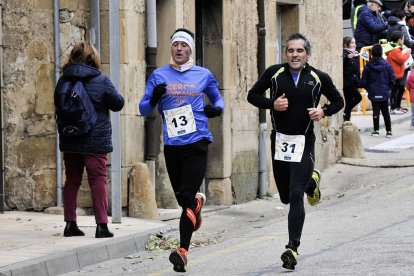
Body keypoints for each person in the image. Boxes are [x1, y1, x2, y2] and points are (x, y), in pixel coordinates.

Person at [247, 33, 344, 270]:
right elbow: (252, 95)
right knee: (284, 195)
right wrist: (272, 104)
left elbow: (339, 100)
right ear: (285, 53)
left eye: (299, 51)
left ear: (307, 54)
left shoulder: (318, 77)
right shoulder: (274, 73)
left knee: (295, 193)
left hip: (304, 141)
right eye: (290, 50)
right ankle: (313, 181)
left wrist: (324, 111)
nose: (295, 55)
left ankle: (292, 247)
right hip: (280, 140)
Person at [139, 28, 224, 273]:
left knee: (186, 194)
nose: (179, 49)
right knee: (183, 200)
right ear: (171, 48)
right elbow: (144, 109)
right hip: (173, 146)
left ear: (190, 50)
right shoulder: (158, 75)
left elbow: (218, 99)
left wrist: (216, 109)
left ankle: (183, 251)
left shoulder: (203, 75)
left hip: (197, 142)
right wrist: (153, 97)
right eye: (175, 44)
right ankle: (196, 202)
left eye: (184, 45)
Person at [54, 42, 125, 238]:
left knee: (72, 180)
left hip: (70, 137)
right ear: (93, 58)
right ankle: (101, 226)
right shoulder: (101, 80)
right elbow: (118, 103)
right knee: (97, 180)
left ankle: (70, 224)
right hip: (95, 138)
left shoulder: (63, 81)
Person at [360, 44, 395, 137]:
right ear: (381, 53)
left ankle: (376, 130)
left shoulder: (368, 66)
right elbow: (392, 79)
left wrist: (369, 89)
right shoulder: (387, 65)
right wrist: (388, 88)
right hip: (384, 91)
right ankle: (389, 131)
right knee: (385, 112)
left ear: (372, 54)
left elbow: (364, 81)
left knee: (376, 111)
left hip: (373, 91)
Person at [384, 30, 411, 114]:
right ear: (399, 40)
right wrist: (407, 53)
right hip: (395, 74)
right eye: (403, 39)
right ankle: (393, 108)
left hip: (398, 73)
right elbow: (401, 59)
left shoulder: (394, 47)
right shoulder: (395, 49)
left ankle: (398, 107)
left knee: (401, 88)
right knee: (394, 91)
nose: (403, 41)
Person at [343, 36, 363, 121]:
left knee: (349, 101)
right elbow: (342, 63)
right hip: (348, 82)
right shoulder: (344, 53)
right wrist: (347, 58)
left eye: (354, 42)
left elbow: (357, 69)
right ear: (345, 45)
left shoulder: (355, 54)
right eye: (352, 43)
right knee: (358, 97)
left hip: (354, 82)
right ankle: (346, 111)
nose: (354, 44)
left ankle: (347, 120)